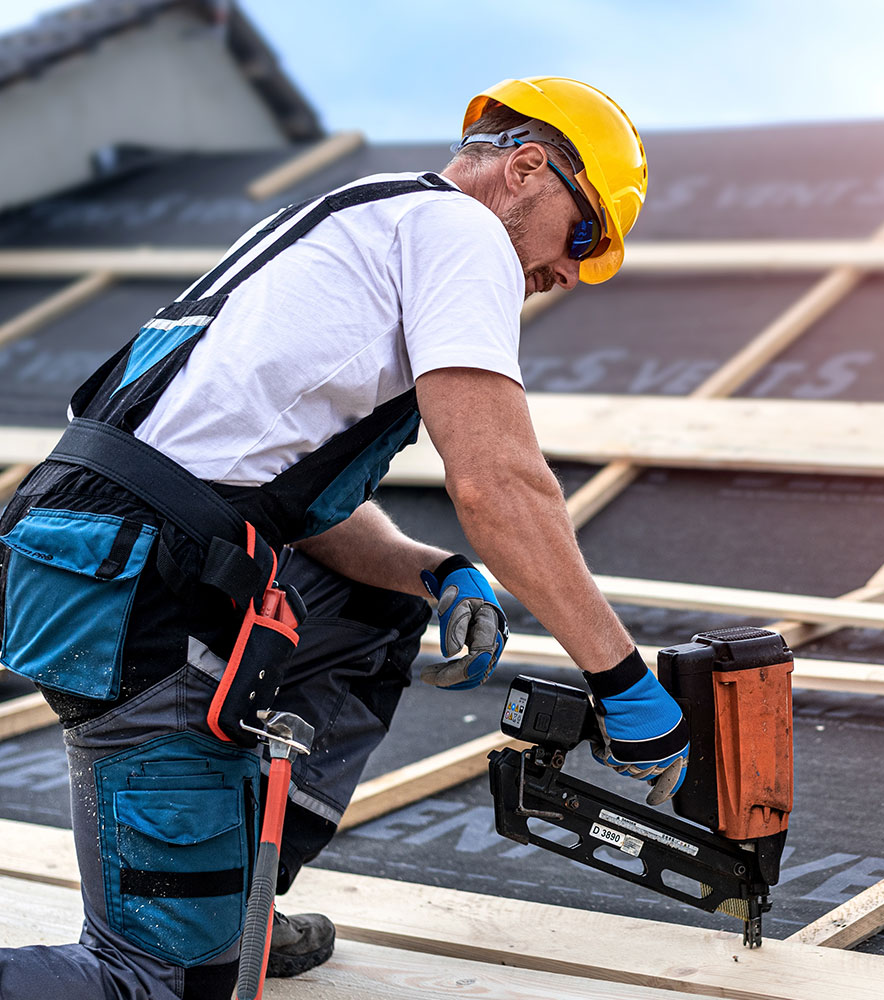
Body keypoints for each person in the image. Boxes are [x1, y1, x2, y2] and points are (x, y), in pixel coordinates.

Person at [0, 76, 688, 999]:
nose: (572, 271)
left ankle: (237, 898)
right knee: (162, 985)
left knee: (376, 606)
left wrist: (437, 570)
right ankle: (187, 942)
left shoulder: (358, 220)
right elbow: (500, 483)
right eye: (583, 235)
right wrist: (622, 680)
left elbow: (266, 483)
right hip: (135, 590)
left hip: (91, 548)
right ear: (526, 168)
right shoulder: (464, 235)